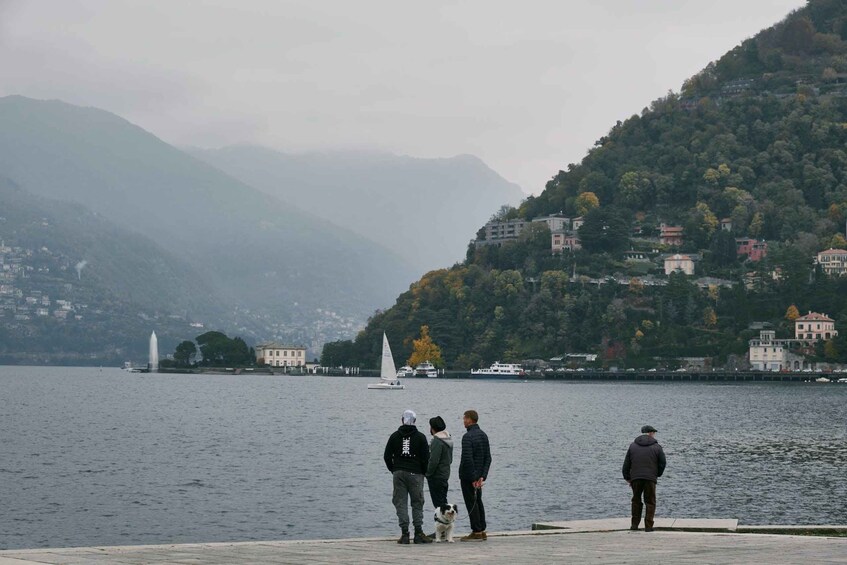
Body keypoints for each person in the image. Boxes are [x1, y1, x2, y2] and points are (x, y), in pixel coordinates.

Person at [383, 409, 432, 544]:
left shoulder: (394, 436)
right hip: (416, 473)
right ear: (415, 421)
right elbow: (426, 458)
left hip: (398, 473)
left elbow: (387, 456)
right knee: (417, 502)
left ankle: (405, 533)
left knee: (400, 503)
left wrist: (394, 469)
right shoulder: (421, 437)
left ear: (402, 420)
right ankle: (418, 533)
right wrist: (423, 472)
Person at [622, 424, 667, 532]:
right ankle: (648, 526)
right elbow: (663, 463)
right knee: (650, 502)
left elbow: (626, 464)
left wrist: (628, 478)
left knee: (636, 501)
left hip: (635, 478)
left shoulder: (632, 446)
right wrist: (657, 474)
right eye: (654, 433)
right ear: (651, 433)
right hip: (650, 478)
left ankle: (634, 525)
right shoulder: (657, 447)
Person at [458, 409, 491, 541]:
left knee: (471, 502)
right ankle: (482, 529)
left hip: (468, 477)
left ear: (470, 419)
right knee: (478, 501)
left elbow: (468, 459)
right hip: (479, 477)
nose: (463, 421)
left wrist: (472, 478)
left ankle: (476, 531)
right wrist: (482, 476)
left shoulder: (467, 437)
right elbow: (488, 458)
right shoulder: (483, 435)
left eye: (464, 418)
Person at [425, 415, 453, 508]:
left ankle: (442, 522)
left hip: (436, 477)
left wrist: (428, 474)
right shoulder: (448, 438)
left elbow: (434, 461)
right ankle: (447, 522)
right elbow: (450, 459)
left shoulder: (437, 441)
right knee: (443, 502)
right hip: (445, 475)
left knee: (439, 506)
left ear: (433, 428)